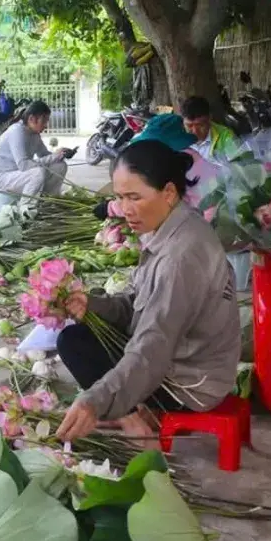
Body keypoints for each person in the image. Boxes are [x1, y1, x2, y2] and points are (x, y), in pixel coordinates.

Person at [55, 139, 240, 441]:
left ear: (168, 193)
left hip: (188, 384)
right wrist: (93, 305)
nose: (125, 210)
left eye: (134, 197)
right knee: (77, 337)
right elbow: (137, 305)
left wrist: (95, 401)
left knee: (77, 346)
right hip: (179, 356)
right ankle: (132, 412)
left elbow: (152, 349)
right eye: (120, 198)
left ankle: (136, 421)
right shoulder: (173, 226)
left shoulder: (180, 257)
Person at [0, 100, 76, 204]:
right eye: (44, 121)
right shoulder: (17, 131)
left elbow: (45, 155)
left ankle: (48, 202)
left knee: (60, 165)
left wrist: (61, 154)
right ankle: (26, 209)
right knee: (38, 173)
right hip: (2, 178)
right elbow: (24, 165)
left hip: (19, 176)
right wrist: (53, 157)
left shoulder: (34, 134)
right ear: (31, 119)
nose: (46, 125)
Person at [179, 96, 238, 162]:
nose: (195, 131)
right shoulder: (175, 137)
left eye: (200, 125)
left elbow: (238, 167)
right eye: (189, 126)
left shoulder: (226, 137)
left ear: (210, 118)